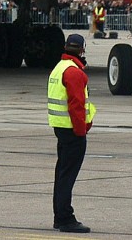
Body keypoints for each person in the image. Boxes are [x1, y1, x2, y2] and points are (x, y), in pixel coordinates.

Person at [47, 34, 96, 233]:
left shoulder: (59, 68)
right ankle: (66, 218)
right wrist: (81, 131)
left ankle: (60, 216)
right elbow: (76, 105)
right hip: (72, 131)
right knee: (67, 176)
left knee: (62, 174)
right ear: (82, 50)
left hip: (61, 128)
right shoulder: (74, 73)